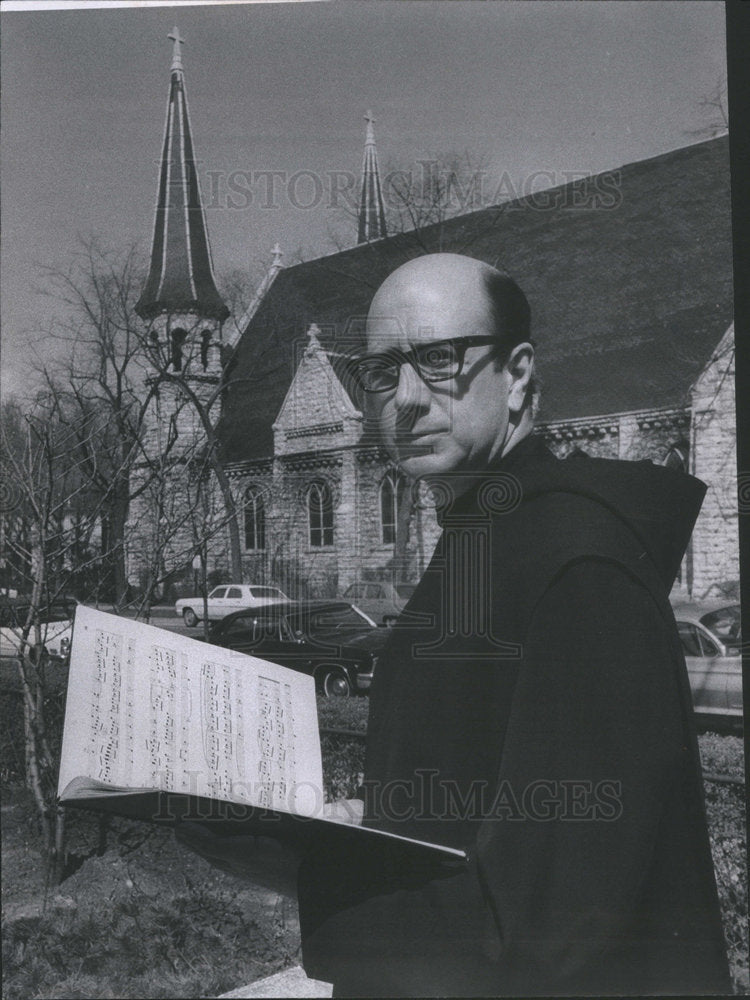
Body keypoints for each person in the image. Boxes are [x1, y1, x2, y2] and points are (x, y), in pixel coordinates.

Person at [180, 253, 731, 997]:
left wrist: (301, 870)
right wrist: (380, 813)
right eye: (381, 370)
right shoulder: (484, 538)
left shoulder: (579, 574)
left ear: (519, 373)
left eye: (439, 359)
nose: (404, 398)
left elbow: (549, 930)